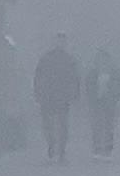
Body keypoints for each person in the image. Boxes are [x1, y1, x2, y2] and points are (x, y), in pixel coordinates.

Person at [32, 35, 82, 164]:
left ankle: (61, 150)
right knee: (48, 124)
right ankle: (52, 144)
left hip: (61, 97)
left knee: (62, 124)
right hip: (48, 96)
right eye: (59, 41)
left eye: (62, 41)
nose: (60, 43)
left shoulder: (68, 60)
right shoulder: (46, 59)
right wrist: (37, 92)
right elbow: (38, 77)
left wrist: (75, 93)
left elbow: (75, 78)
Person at [85, 48, 120, 161]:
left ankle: (107, 150)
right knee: (97, 126)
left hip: (109, 103)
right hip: (96, 103)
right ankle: (97, 149)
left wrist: (114, 95)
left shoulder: (115, 73)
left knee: (108, 127)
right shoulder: (92, 73)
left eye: (105, 59)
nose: (103, 61)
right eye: (100, 59)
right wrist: (91, 97)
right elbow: (87, 86)